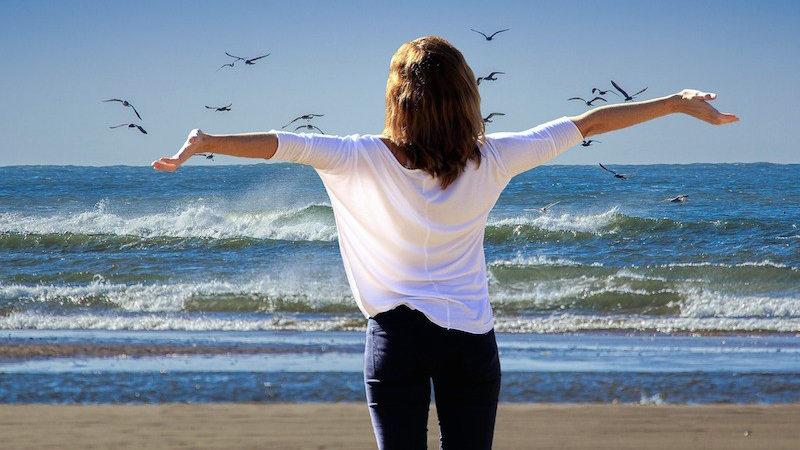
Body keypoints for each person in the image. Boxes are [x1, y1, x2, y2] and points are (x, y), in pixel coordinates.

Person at [153, 36, 737, 450]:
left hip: (395, 339)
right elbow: (589, 123)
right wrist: (676, 104)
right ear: (467, 96)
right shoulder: (496, 156)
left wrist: (206, 142)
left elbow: (281, 144)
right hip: (470, 339)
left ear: (396, 99)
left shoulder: (356, 156)